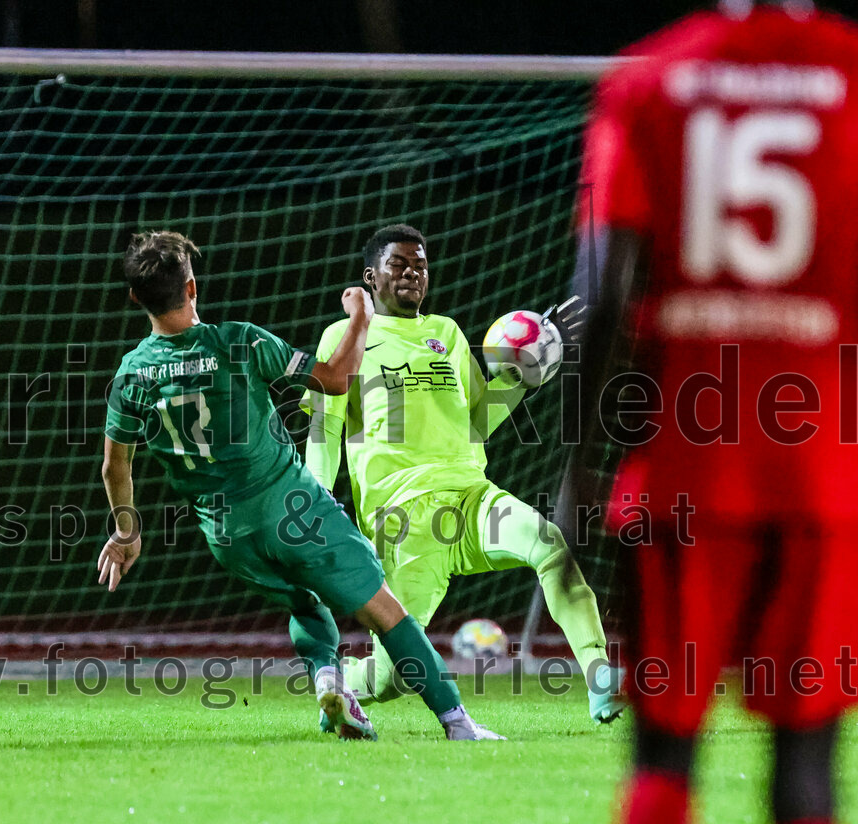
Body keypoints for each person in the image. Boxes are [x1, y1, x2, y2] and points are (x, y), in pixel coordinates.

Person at [564, 2, 858, 821]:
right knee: (806, 762)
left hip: (683, 470)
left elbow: (603, 279)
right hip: (827, 477)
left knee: (663, 754)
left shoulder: (651, 76)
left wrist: (582, 459)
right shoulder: (850, 72)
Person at [98, 230, 503, 741]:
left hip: (225, 532)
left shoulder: (133, 373)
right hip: (290, 504)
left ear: (136, 297)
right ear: (193, 288)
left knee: (306, 603)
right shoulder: (238, 340)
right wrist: (361, 317)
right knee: (383, 608)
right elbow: (334, 379)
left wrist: (128, 532)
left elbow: (116, 466)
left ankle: (332, 688)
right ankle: (457, 722)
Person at [302, 223, 626, 724]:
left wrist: (521, 375)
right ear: (371, 276)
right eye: (399, 264)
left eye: (421, 264)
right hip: (403, 521)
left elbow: (477, 421)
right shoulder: (342, 339)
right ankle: (344, 684)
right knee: (397, 678)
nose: (414, 272)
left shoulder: (446, 333)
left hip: (473, 497)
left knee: (550, 546)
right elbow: (324, 428)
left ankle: (600, 677)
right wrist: (317, 497)